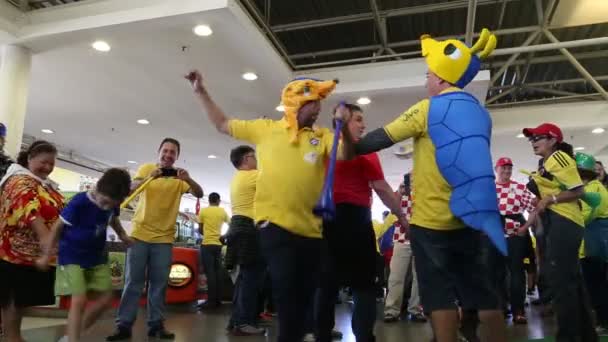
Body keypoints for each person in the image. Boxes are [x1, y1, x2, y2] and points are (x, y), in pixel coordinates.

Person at [349, 29, 508, 342]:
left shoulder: (427, 108)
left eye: (428, 74)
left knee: (439, 296)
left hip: (432, 221)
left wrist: (344, 141)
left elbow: (376, 140)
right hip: (472, 218)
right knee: (481, 292)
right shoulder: (481, 113)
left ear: (441, 78)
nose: (426, 81)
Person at [185, 70, 353, 342]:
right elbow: (223, 123)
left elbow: (345, 154)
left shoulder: (321, 135)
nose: (318, 108)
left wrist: (342, 127)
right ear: (296, 104)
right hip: (273, 226)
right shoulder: (266, 129)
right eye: (313, 103)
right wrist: (200, 91)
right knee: (287, 290)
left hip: (311, 231)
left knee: (304, 294)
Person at [315, 103, 406, 342]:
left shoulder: (323, 149)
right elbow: (383, 189)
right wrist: (404, 219)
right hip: (355, 220)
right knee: (363, 285)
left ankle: (322, 335)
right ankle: (363, 337)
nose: (363, 125)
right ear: (343, 121)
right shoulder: (365, 151)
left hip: (326, 221)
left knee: (326, 285)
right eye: (357, 119)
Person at [107, 138, 203, 341]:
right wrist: (149, 177)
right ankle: (123, 326)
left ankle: (156, 325)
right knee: (133, 282)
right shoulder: (147, 168)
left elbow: (199, 193)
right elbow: (130, 188)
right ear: (159, 151)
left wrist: (189, 179)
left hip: (164, 240)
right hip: (139, 235)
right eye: (165, 151)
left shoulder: (180, 178)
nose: (168, 155)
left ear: (177, 156)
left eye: (173, 152)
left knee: (159, 284)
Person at [38, 168, 134, 342]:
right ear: (98, 189)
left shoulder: (113, 204)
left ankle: (71, 335)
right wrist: (46, 255)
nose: (106, 207)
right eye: (104, 202)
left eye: (111, 204)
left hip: (97, 257)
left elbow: (113, 219)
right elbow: (57, 227)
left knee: (106, 299)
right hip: (72, 256)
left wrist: (123, 236)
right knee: (79, 300)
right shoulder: (80, 202)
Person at [522, 123, 597, 341]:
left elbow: (578, 190)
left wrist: (551, 199)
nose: (534, 142)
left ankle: (568, 336)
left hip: (565, 221)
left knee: (562, 282)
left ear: (553, 140)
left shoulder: (559, 158)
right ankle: (585, 335)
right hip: (557, 221)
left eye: (538, 138)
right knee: (571, 281)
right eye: (532, 139)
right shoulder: (544, 162)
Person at [0, 141, 64, 342]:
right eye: (43, 162)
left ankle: (13, 336)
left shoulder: (41, 183)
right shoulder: (19, 180)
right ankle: (12, 337)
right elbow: (27, 205)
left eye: (51, 164)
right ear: (29, 158)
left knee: (20, 302)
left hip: (30, 256)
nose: (47, 167)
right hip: (13, 254)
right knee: (11, 300)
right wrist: (45, 235)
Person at [223, 145, 266, 335]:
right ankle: (244, 322)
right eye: (254, 157)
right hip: (248, 227)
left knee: (244, 278)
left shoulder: (237, 178)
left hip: (237, 225)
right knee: (251, 278)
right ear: (246, 159)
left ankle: (236, 321)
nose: (256, 160)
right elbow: (277, 181)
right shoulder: (253, 175)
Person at [494, 157, 536, 324]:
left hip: (515, 237)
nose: (506, 171)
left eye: (509, 169)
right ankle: (501, 308)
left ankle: (518, 310)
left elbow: (533, 209)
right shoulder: (489, 188)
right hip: (495, 237)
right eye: (503, 168)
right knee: (496, 273)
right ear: (496, 169)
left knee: (517, 273)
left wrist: (525, 228)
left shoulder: (519, 188)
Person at [383, 174, 425, 324]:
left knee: (419, 277)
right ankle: (391, 311)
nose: (412, 183)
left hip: (421, 240)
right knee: (396, 277)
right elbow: (392, 208)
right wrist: (400, 192)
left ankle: (415, 310)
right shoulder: (399, 193)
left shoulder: (424, 193)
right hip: (401, 239)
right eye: (410, 180)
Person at [575, 152, 608, 335]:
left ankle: (603, 322)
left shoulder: (591, 190)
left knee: (596, 285)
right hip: (597, 243)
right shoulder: (598, 187)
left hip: (593, 245)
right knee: (599, 283)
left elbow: (585, 216)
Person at [198, 192, 230, 310]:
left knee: (210, 273)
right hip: (218, 245)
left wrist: (207, 234)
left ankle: (211, 301)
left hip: (207, 244)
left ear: (209, 200)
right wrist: (224, 236)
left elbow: (200, 229)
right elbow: (232, 225)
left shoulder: (203, 211)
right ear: (218, 200)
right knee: (217, 272)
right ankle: (218, 300)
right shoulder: (222, 212)